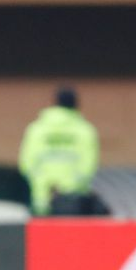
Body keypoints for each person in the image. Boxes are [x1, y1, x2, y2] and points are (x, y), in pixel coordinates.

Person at [19, 87, 106, 216]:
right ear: (76, 105)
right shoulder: (85, 131)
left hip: (42, 202)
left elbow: (27, 163)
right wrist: (73, 186)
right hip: (74, 203)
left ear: (55, 103)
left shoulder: (36, 129)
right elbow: (89, 165)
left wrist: (40, 182)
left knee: (42, 236)